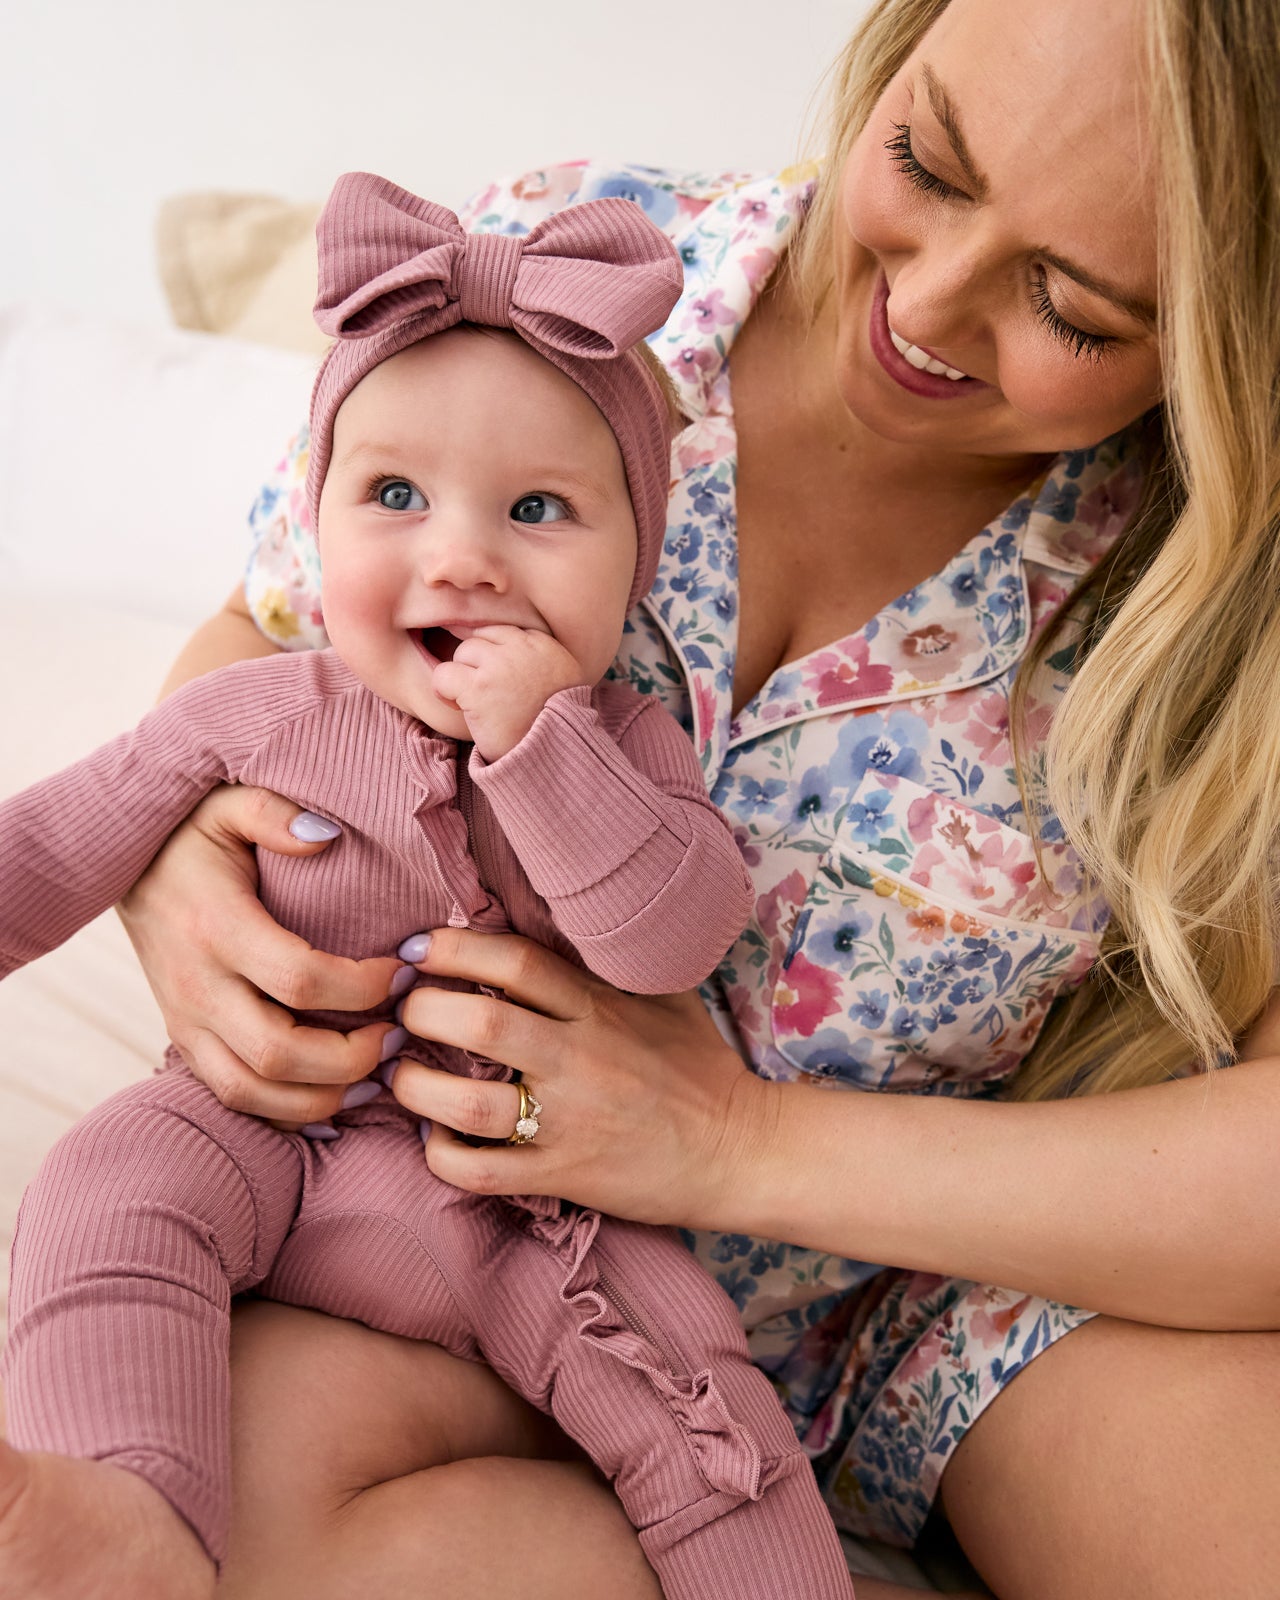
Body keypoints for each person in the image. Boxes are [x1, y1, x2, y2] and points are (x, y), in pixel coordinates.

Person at [4, 0, 1279, 1594]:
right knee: (193, 1527)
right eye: (926, 163)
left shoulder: (1235, 588)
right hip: (444, 1209)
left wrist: (733, 1144)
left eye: (1079, 313)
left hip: (948, 1280)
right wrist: (180, 871)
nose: (930, 306)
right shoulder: (580, 268)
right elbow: (269, 644)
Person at [0, 177, 857, 1600]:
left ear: (635, 564)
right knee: (104, 1184)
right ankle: (131, 1520)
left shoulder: (628, 748)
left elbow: (669, 935)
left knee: (705, 1413)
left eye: (537, 511)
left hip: (540, 1218)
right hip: (264, 1138)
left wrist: (539, 749)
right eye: (393, 495)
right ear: (314, 520)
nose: (459, 556)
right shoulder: (258, 712)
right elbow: (51, 847)